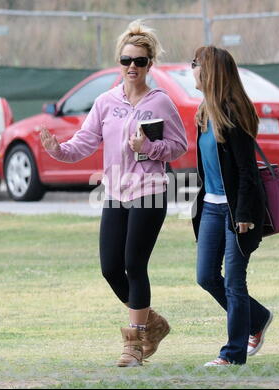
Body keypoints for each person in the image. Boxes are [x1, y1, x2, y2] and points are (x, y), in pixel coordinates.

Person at [40, 20, 187, 367]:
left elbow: (179, 146)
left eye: (139, 61)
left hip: (149, 191)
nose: (132, 67)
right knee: (110, 267)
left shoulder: (161, 102)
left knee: (134, 264)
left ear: (150, 64)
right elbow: (82, 143)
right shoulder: (106, 102)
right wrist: (57, 149)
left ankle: (133, 344)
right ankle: (153, 323)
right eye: (126, 61)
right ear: (119, 63)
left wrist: (150, 146)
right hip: (115, 192)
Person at [191, 46, 273, 366]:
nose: (192, 69)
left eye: (195, 64)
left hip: (236, 210)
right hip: (211, 207)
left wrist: (243, 215)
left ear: (209, 70)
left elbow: (247, 172)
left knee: (234, 282)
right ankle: (258, 317)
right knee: (206, 276)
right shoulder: (203, 113)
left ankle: (233, 355)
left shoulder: (232, 114)